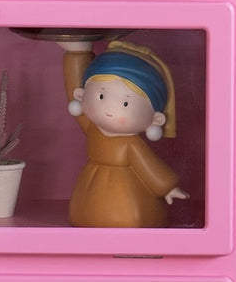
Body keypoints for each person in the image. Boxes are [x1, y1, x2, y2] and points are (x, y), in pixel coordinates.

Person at [61, 39, 188, 227]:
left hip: (125, 197)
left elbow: (148, 167)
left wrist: (167, 188)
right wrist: (76, 54)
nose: (109, 109)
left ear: (156, 119)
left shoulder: (131, 144)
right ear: (81, 95)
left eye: (125, 103)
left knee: (124, 219)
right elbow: (73, 85)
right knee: (86, 215)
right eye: (101, 96)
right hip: (90, 193)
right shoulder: (93, 128)